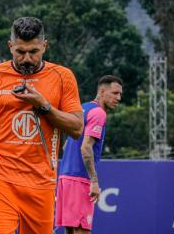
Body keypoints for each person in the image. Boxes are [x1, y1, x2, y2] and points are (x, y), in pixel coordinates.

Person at [0, 17, 84, 234]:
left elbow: (76, 128)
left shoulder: (62, 77)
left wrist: (43, 105)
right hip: (0, 177)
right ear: (10, 47)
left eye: (34, 52)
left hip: (42, 181)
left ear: (44, 46)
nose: (27, 58)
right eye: (20, 52)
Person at [55, 75, 123, 234]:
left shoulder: (82, 108)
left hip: (65, 177)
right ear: (102, 91)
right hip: (79, 180)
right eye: (115, 93)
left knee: (70, 231)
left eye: (120, 94)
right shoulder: (99, 113)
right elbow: (86, 148)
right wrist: (94, 180)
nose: (118, 98)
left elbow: (66, 146)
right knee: (82, 231)